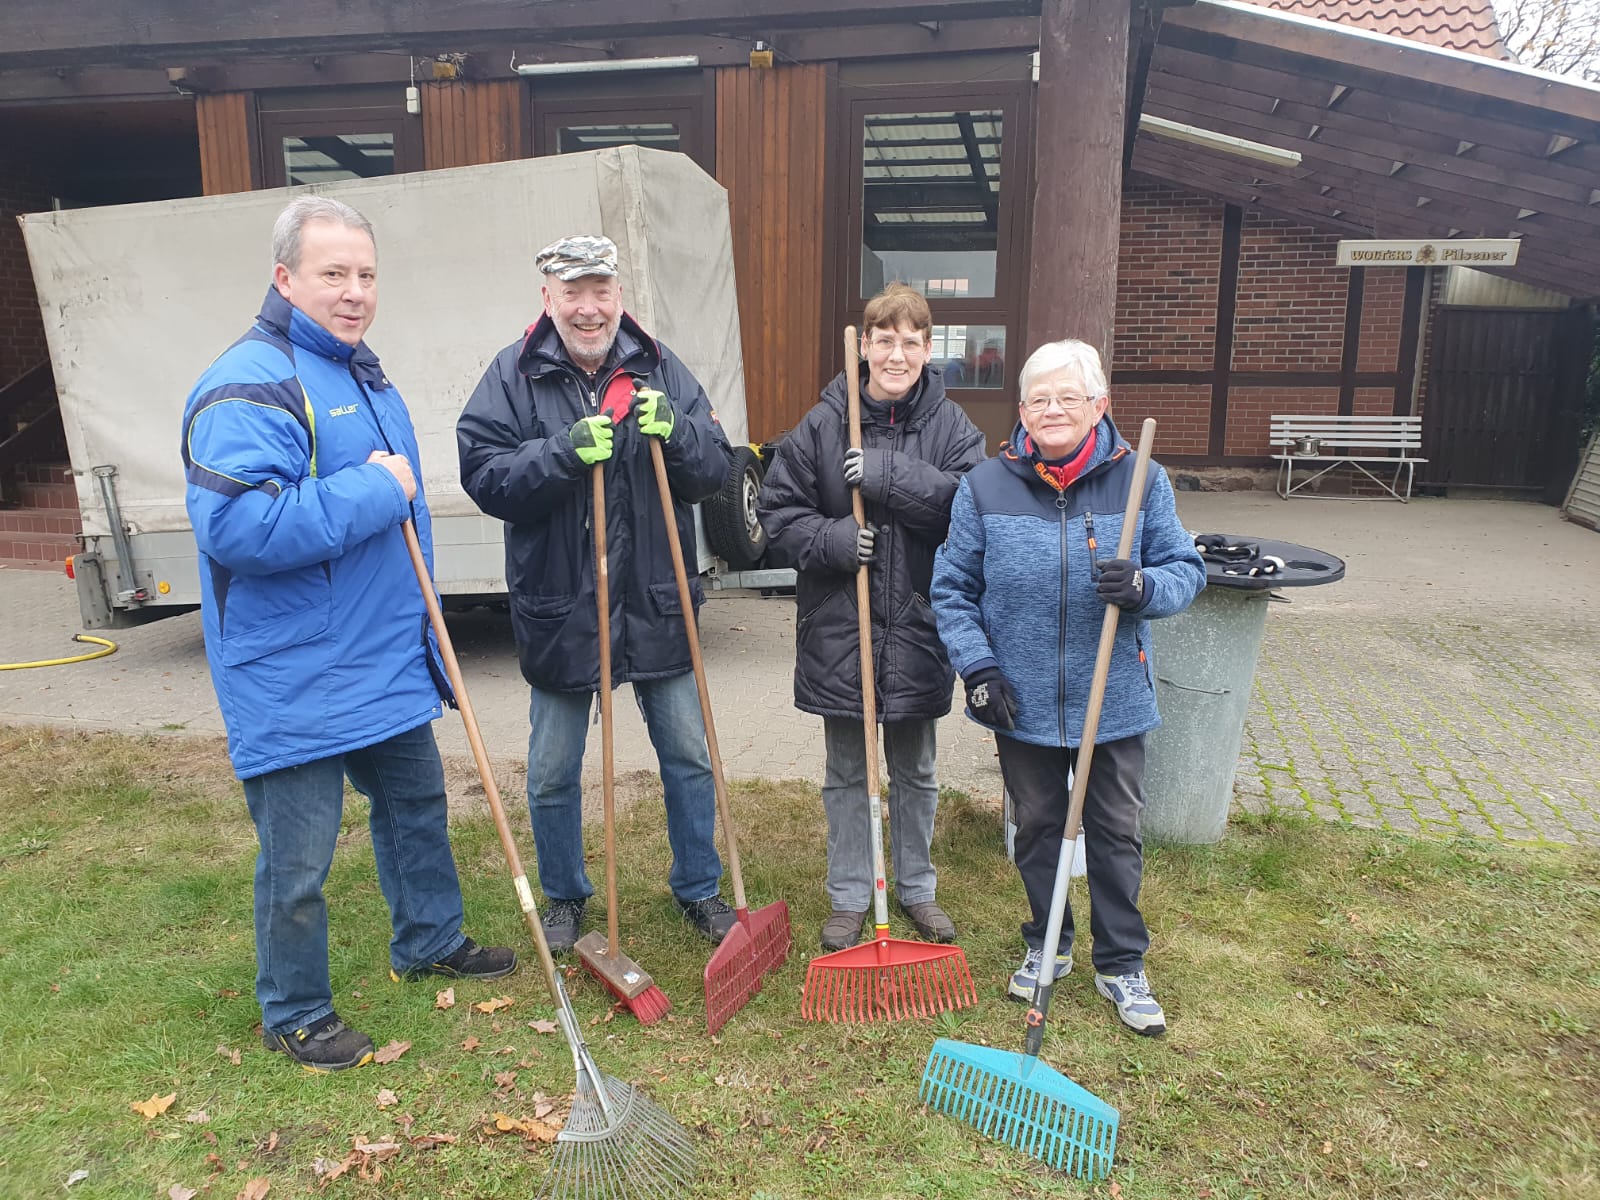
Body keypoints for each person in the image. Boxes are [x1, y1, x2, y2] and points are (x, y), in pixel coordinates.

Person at [180, 196, 515, 1073]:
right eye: (334, 274)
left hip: (381, 657)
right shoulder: (250, 382)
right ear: (285, 277)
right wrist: (375, 488)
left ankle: (430, 940)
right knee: (298, 860)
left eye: (366, 275)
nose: (355, 291)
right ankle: (294, 1011)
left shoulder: (364, 374)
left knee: (416, 807)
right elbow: (239, 530)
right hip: (295, 672)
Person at [456, 234, 738, 953]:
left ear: (620, 295)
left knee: (689, 755)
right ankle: (565, 895)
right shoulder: (513, 376)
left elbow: (713, 469)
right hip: (563, 607)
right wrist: (557, 455)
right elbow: (484, 475)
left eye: (600, 290)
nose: (589, 308)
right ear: (547, 298)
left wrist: (675, 432)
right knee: (552, 769)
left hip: (654, 598)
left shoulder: (658, 367)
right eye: (572, 292)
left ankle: (701, 889)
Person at [930, 338, 1204, 1035]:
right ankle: (1046, 943)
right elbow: (952, 588)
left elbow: (1185, 570)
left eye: (1068, 397)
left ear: (1098, 405)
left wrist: (1144, 587)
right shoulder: (985, 487)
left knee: (1114, 829)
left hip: (1112, 696)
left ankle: (1120, 962)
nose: (1052, 410)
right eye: (1039, 399)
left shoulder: (1142, 479)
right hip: (1019, 700)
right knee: (1039, 827)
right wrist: (979, 668)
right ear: (1022, 410)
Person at [757, 283, 986, 951]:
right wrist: (830, 540)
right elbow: (776, 513)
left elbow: (969, 508)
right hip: (841, 628)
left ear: (926, 349)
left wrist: (888, 474)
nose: (896, 354)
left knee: (915, 770)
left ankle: (916, 887)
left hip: (917, 626)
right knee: (848, 772)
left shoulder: (952, 428)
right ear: (864, 346)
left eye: (910, 341)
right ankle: (850, 895)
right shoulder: (825, 423)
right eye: (883, 340)